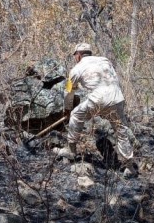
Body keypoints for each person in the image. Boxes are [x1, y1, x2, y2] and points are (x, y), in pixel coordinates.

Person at [54, 43, 137, 175]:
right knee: (121, 131)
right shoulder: (105, 61)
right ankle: (130, 167)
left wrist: (68, 108)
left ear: (79, 55)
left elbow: (69, 92)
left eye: (75, 55)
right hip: (117, 97)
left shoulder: (76, 69)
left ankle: (71, 150)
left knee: (76, 115)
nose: (75, 58)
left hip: (99, 99)